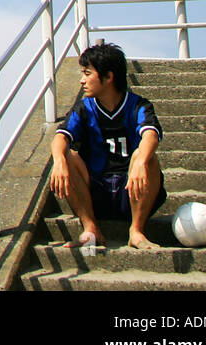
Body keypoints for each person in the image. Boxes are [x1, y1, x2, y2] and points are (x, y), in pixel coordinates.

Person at [49, 42, 166, 250]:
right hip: (96, 192)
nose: (81, 80)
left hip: (130, 190)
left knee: (146, 155)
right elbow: (60, 137)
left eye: (87, 73)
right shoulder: (85, 108)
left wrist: (140, 162)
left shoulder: (139, 105)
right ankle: (90, 228)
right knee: (67, 154)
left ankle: (136, 231)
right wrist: (58, 160)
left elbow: (151, 136)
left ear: (108, 77)